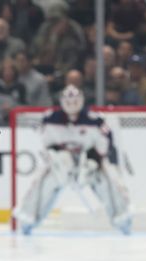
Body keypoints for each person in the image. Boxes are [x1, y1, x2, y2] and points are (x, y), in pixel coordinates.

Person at [13, 85, 132, 235]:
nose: (72, 105)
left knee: (110, 182)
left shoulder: (94, 120)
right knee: (41, 183)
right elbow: (48, 145)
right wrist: (59, 157)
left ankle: (123, 220)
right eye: (68, 101)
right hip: (61, 164)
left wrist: (93, 160)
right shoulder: (50, 118)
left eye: (75, 101)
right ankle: (27, 220)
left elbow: (105, 143)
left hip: (90, 164)